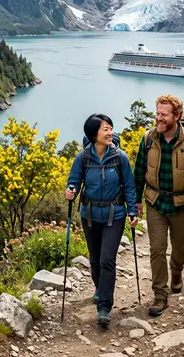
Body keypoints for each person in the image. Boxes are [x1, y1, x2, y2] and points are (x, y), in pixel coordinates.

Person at [134, 95, 184, 316]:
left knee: (179, 248)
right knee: (157, 249)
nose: (158, 118)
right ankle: (160, 295)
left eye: (163, 115)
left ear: (177, 116)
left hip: (181, 203)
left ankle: (176, 275)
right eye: (157, 113)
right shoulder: (148, 138)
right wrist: (135, 203)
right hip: (155, 202)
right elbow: (138, 172)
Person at [66, 114, 138, 328]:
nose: (110, 132)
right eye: (105, 129)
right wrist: (71, 191)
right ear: (93, 134)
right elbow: (74, 182)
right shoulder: (83, 158)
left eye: (111, 128)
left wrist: (132, 210)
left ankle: (104, 307)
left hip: (114, 215)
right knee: (95, 260)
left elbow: (130, 186)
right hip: (89, 216)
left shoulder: (119, 157)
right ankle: (100, 288)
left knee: (107, 259)